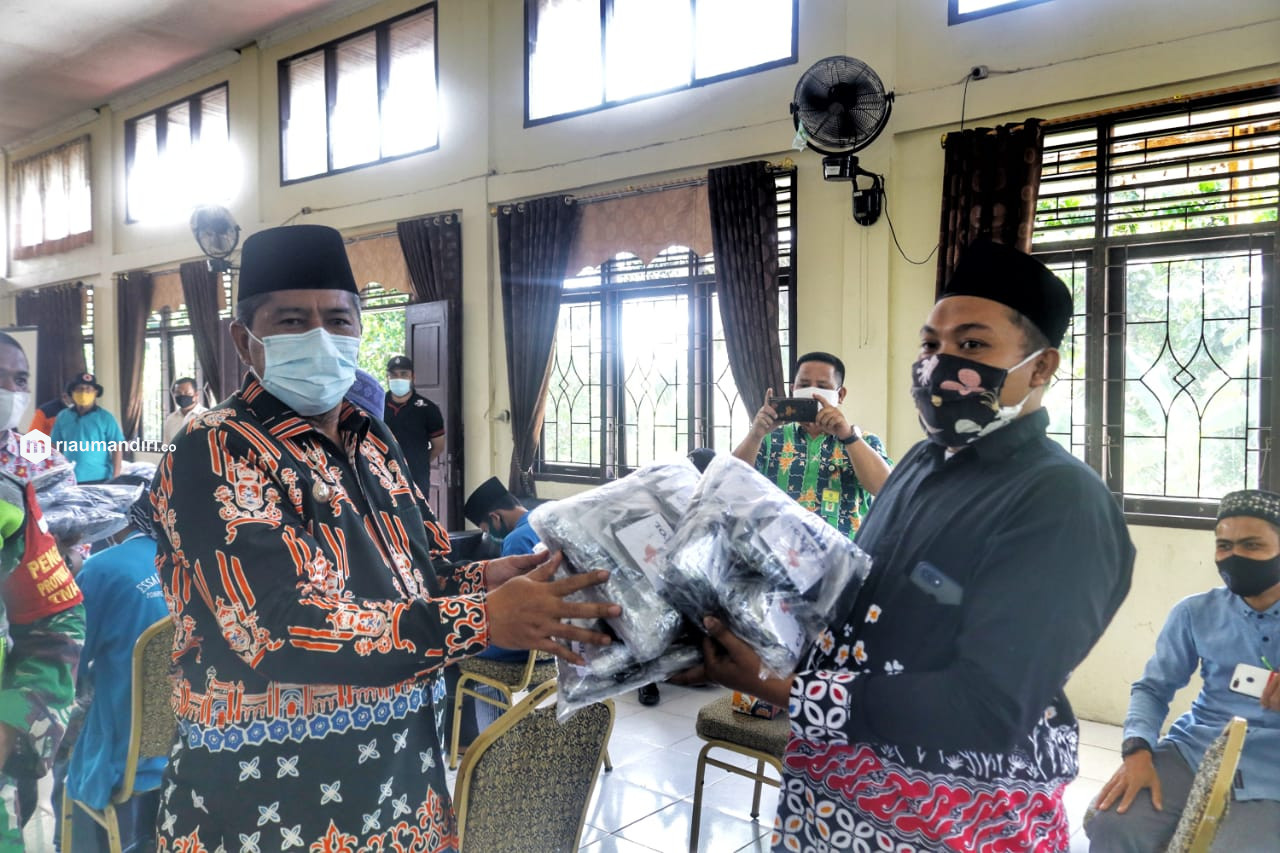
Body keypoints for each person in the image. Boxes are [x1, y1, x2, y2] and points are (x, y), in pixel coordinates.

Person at [152, 224, 618, 852]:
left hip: (400, 788)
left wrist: (492, 579)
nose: (321, 336)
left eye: (339, 320)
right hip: (264, 805)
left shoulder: (371, 438)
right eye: (292, 320)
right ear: (245, 339)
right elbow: (279, 629)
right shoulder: (214, 445)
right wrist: (480, 620)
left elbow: (419, 571)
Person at [692, 240, 1135, 851]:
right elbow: (862, 604)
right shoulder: (922, 462)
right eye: (931, 344)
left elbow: (985, 710)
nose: (941, 363)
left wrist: (790, 691)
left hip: (954, 820)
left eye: (973, 345)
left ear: (1040, 367)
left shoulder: (1061, 503)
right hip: (828, 800)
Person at [1086, 489, 1280, 851]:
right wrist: (1137, 750)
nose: (1235, 556)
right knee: (1113, 825)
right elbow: (1153, 688)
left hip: (1274, 766)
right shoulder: (1195, 612)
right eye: (1225, 546)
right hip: (1197, 748)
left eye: (1252, 545)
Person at [0, 332, 85, 851]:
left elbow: (56, 624)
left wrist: (14, 730)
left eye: (18, 380)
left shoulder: (9, 495)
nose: (9, 392)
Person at [63, 478, 169, 853]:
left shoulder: (101, 569)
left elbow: (68, 665)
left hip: (123, 755)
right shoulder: (187, 560)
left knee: (60, 747)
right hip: (185, 744)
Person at [733, 351, 892, 538]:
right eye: (804, 385)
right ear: (793, 389)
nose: (813, 392)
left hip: (842, 558)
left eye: (823, 386)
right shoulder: (768, 439)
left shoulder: (864, 442)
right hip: (779, 555)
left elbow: (886, 490)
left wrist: (848, 437)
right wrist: (755, 434)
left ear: (840, 394)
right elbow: (731, 482)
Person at [384, 355, 445, 497]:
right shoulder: (377, 406)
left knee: (417, 519)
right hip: (383, 481)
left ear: (413, 377)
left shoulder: (428, 409)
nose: (398, 378)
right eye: (393, 375)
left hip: (416, 482)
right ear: (387, 378)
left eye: (404, 374)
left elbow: (439, 446)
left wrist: (419, 461)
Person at [51, 374, 124, 484]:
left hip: (100, 478)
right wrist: (54, 470)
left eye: (89, 389)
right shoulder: (62, 417)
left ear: (95, 393)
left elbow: (117, 448)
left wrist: (116, 476)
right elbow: (54, 446)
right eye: (79, 389)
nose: (84, 393)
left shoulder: (106, 418)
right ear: (73, 393)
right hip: (69, 477)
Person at [161, 377, 207, 444]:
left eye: (187, 393)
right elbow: (166, 446)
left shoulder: (207, 416)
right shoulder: (171, 419)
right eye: (178, 393)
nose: (182, 396)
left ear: (196, 395)